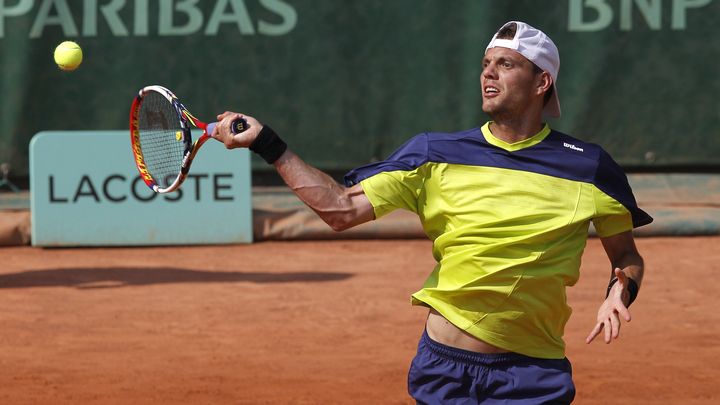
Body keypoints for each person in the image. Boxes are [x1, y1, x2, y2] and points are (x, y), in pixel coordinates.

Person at [211, 20, 651, 404]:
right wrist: (268, 143)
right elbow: (340, 209)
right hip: (445, 369)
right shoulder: (434, 154)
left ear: (542, 83)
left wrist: (620, 291)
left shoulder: (588, 167)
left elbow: (626, 256)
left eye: (507, 64)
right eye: (485, 64)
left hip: (531, 374)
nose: (488, 73)